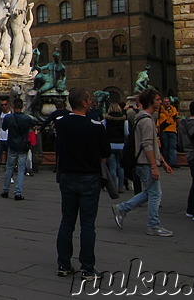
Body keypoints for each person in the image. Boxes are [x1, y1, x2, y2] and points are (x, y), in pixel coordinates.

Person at [54, 88, 111, 280]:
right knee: (87, 225)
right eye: (89, 100)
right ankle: (87, 268)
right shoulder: (95, 126)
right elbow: (106, 152)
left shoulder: (61, 124)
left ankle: (63, 264)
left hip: (67, 178)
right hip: (89, 178)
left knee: (67, 221)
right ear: (85, 103)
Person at [112, 89, 174, 237]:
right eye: (158, 99)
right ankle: (153, 225)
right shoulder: (146, 120)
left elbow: (151, 144)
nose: (160, 102)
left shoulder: (146, 118)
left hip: (144, 162)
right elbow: (147, 145)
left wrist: (162, 162)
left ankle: (122, 208)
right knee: (155, 194)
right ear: (151, 102)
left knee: (149, 192)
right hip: (145, 162)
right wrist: (154, 166)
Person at [0, 98, 33, 200]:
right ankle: (17, 193)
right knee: (21, 169)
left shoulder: (9, 117)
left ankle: (5, 190)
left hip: (12, 145)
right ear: (22, 106)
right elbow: (33, 126)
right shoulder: (27, 118)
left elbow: (4, 128)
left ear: (13, 106)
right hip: (22, 146)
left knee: (9, 167)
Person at [103, 103, 128, 193]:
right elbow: (126, 133)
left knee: (112, 167)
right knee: (120, 167)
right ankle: (121, 186)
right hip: (121, 144)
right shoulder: (124, 119)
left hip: (110, 144)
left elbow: (103, 131)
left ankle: (113, 185)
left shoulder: (106, 119)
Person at [157, 97, 179, 168]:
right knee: (165, 147)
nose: (167, 103)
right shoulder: (159, 110)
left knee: (172, 147)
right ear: (162, 103)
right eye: (165, 102)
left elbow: (176, 118)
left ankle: (173, 162)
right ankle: (166, 161)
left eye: (168, 101)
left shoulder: (173, 109)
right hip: (164, 130)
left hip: (172, 130)